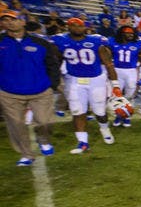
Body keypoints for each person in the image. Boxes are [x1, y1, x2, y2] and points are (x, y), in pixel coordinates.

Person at [0, 10, 62, 166]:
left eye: (13, 19)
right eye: (5, 20)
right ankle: (26, 154)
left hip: (40, 90)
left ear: (23, 22)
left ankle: (44, 139)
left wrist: (53, 84)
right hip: (9, 92)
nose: (9, 22)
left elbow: (52, 64)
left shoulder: (41, 42)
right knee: (16, 125)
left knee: (45, 122)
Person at [52, 17, 119, 154]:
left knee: (99, 111)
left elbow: (108, 63)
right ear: (68, 27)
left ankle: (104, 128)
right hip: (74, 80)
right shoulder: (60, 40)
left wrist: (115, 85)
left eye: (80, 26)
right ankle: (83, 142)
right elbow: (55, 60)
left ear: (85, 28)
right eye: (74, 26)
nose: (77, 28)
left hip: (96, 80)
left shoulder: (95, 40)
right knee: (78, 111)